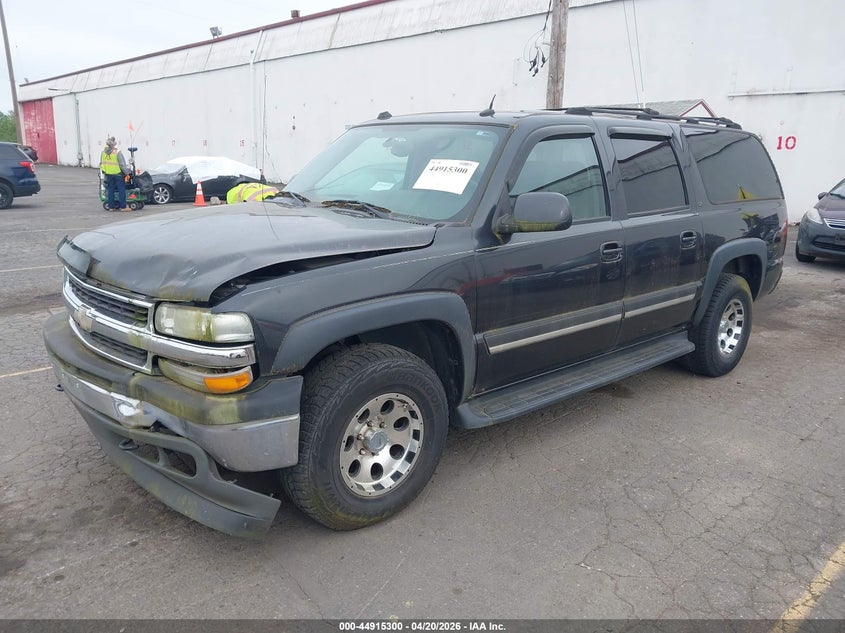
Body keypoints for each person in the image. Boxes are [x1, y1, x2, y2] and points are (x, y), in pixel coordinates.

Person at [100, 136, 131, 211]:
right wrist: (127, 172)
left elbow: (101, 163)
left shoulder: (103, 152)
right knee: (121, 190)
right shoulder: (117, 152)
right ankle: (123, 207)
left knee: (110, 190)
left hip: (108, 174)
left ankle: (111, 207)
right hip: (118, 174)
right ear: (114, 144)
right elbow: (122, 164)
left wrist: (105, 172)